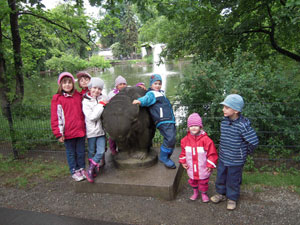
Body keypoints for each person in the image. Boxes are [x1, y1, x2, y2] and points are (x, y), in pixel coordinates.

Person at [211, 94, 259, 210]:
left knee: (233, 179)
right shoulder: (224, 122)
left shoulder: (243, 125)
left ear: (236, 110)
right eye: (224, 107)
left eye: (227, 107)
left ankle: (232, 198)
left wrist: (244, 152)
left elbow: (254, 141)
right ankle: (220, 194)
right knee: (221, 177)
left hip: (236, 160)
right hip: (223, 157)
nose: (223, 109)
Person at [132, 74, 177, 169]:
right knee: (170, 138)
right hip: (163, 120)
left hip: (169, 119)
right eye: (155, 83)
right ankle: (164, 157)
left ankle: (166, 156)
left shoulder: (160, 93)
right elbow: (147, 99)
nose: (157, 85)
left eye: (159, 83)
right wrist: (139, 101)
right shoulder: (152, 93)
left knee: (171, 138)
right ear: (151, 85)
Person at [51, 72, 86, 182]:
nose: (67, 85)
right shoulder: (58, 98)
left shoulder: (78, 96)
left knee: (81, 152)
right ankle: (74, 171)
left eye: (69, 82)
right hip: (67, 133)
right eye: (64, 83)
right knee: (71, 153)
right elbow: (56, 117)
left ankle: (82, 169)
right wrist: (58, 133)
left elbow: (88, 93)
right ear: (60, 85)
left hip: (80, 131)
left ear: (73, 84)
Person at [179, 113, 218, 202]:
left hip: (202, 167)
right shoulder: (185, 140)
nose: (193, 127)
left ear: (200, 126)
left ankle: (204, 193)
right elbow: (183, 152)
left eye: (196, 125)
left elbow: (212, 154)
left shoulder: (206, 140)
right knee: (193, 180)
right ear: (188, 127)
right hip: (191, 167)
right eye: (191, 125)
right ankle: (195, 192)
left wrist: (209, 165)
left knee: (203, 181)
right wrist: (183, 162)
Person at [82, 77, 107, 183]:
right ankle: (92, 170)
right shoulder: (85, 102)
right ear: (90, 88)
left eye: (99, 89)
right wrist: (101, 105)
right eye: (94, 88)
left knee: (101, 151)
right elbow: (92, 117)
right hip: (92, 132)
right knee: (92, 152)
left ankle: (91, 168)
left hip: (101, 131)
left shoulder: (103, 98)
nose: (97, 91)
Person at [107, 75, 128, 155]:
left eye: (124, 84)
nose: (122, 86)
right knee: (113, 135)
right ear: (116, 86)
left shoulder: (128, 91)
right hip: (115, 117)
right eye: (120, 84)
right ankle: (112, 148)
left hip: (124, 116)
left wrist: (140, 84)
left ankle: (123, 148)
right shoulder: (112, 93)